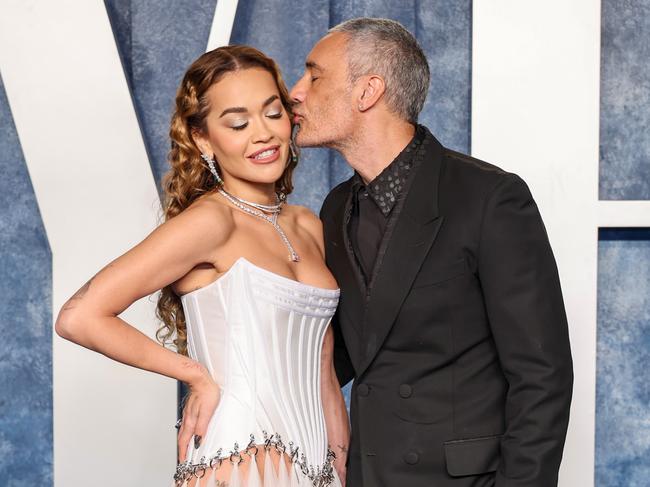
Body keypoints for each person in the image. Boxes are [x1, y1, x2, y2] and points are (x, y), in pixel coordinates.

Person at [290, 17, 574, 487]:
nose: (296, 91)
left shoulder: (489, 198)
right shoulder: (336, 207)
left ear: (368, 91)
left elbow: (542, 377)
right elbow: (346, 352)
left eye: (314, 75)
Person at [55, 45, 349, 487]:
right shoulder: (210, 221)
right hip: (239, 461)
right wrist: (195, 376)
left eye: (272, 113)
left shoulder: (307, 223)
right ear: (202, 139)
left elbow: (323, 363)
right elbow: (79, 317)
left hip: (316, 465)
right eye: (237, 123)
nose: (263, 134)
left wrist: (340, 459)